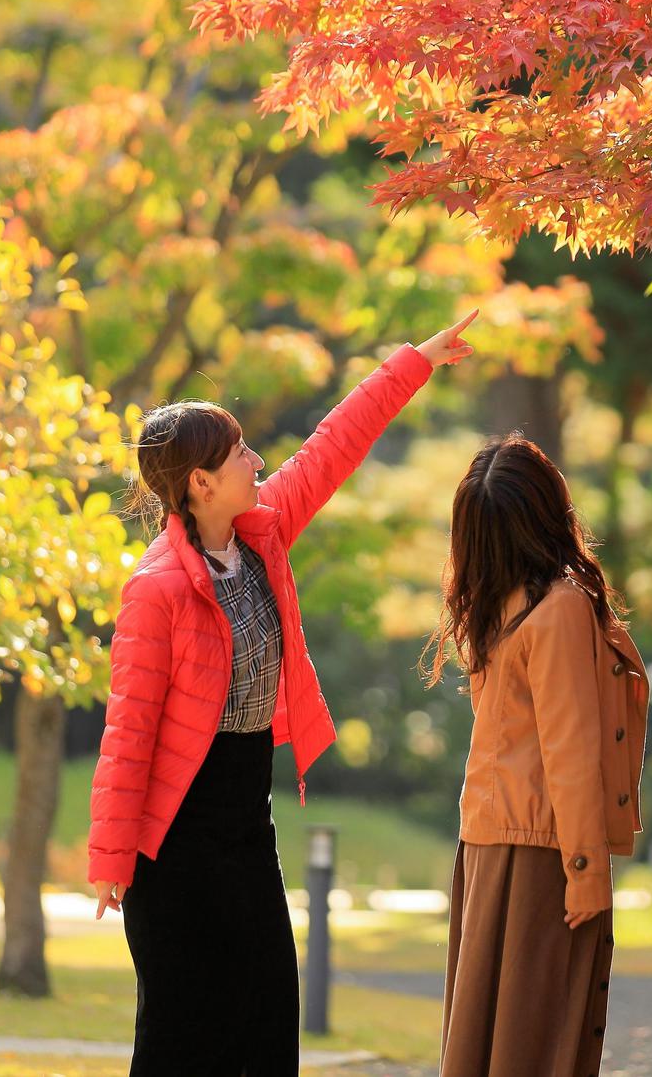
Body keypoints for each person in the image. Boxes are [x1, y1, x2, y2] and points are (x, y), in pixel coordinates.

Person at [88, 312, 476, 1077]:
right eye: (239, 454)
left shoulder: (263, 532)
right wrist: (110, 858)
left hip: (246, 822)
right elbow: (127, 730)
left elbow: (334, 444)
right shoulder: (154, 591)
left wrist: (415, 362)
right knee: (177, 1044)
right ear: (199, 482)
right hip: (175, 844)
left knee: (268, 1027)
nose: (258, 460)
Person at [423, 433, 651, 1077]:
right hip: (545, 852)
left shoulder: (497, 606)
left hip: (489, 848)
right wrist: (586, 869)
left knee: (489, 1043)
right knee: (545, 1044)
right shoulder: (562, 607)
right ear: (552, 509)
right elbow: (569, 750)